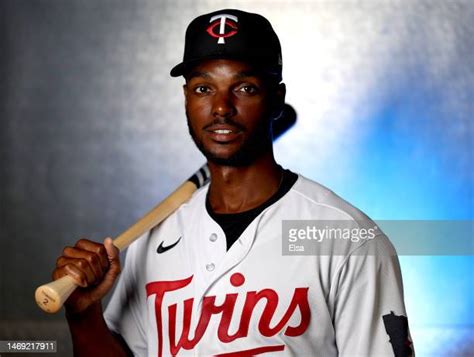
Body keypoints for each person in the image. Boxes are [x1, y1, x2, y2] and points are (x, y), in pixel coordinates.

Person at [52, 9, 413, 357]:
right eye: (203, 89)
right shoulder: (154, 239)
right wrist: (84, 316)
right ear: (186, 99)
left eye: (244, 87)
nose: (221, 107)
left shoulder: (345, 237)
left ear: (277, 99)